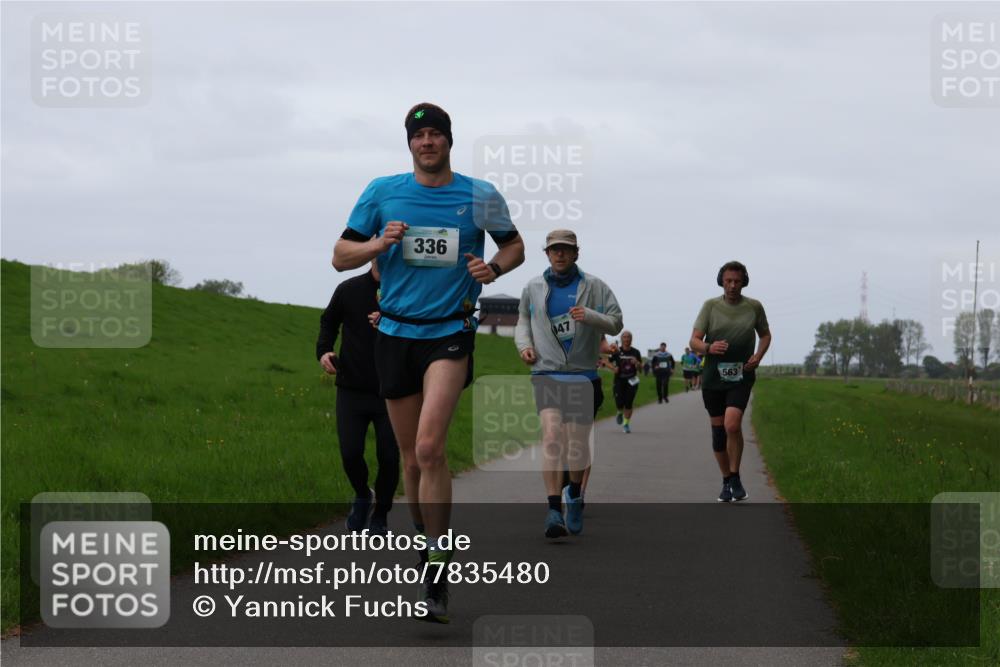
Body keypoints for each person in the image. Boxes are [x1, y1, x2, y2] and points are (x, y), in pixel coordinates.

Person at [333, 102, 525, 623]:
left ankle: (438, 570)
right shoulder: (382, 191)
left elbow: (515, 246)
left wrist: (494, 268)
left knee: (428, 447)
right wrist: (379, 241)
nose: (428, 143)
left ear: (449, 142)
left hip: (451, 332)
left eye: (436, 134)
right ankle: (429, 548)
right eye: (419, 136)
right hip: (394, 333)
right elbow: (340, 256)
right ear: (410, 144)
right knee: (410, 460)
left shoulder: (478, 195)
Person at [515, 229, 623, 538]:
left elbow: (616, 320)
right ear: (547, 254)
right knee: (551, 438)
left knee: (576, 447)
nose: (560, 254)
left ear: (576, 253)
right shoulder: (533, 287)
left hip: (581, 376)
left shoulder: (595, 287)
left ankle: (574, 494)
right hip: (545, 373)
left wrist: (590, 316)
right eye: (554, 250)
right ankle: (553, 510)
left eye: (566, 250)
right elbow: (523, 321)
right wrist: (524, 346)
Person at [316, 261, 398, 536]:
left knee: (388, 456)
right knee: (350, 453)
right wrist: (324, 351)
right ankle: (363, 494)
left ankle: (381, 515)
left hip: (393, 389)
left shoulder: (406, 291)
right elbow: (328, 322)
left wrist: (393, 320)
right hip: (352, 387)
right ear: (373, 254)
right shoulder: (349, 289)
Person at [688, 261, 771, 503]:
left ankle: (735, 475)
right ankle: (727, 480)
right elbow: (694, 340)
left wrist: (758, 356)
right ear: (721, 282)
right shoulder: (710, 306)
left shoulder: (754, 307)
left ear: (744, 281)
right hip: (713, 376)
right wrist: (708, 347)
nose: (733, 285)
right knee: (718, 434)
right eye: (728, 281)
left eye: (737, 281)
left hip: (741, 375)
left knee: (732, 425)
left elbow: (765, 335)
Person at [609, 331, 642, 433]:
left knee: (628, 403)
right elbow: (606, 362)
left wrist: (637, 363)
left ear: (631, 339)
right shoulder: (616, 351)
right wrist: (613, 368)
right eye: (624, 337)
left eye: (628, 337)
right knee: (619, 403)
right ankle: (619, 411)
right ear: (621, 339)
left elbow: (641, 368)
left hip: (632, 381)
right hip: (619, 380)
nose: (627, 339)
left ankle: (626, 424)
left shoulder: (636, 352)